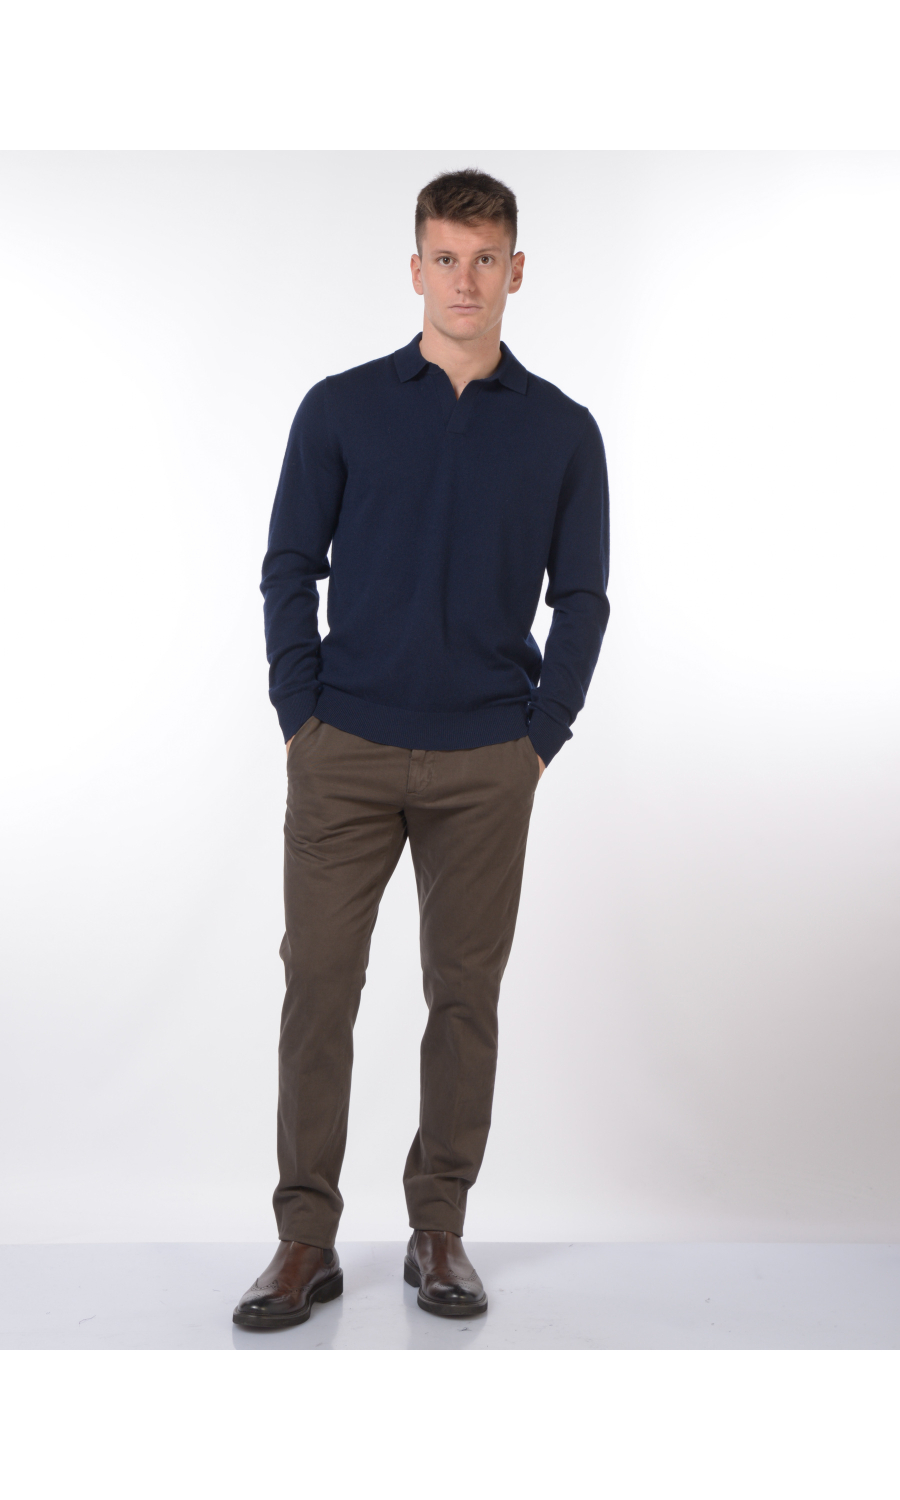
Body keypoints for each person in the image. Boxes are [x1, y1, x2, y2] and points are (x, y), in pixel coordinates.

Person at [233, 168, 610, 1330]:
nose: (466, 280)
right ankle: (304, 1240)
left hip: (488, 760)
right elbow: (288, 568)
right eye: (446, 258)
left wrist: (539, 740)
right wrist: (301, 717)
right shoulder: (341, 408)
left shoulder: (562, 431)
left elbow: (583, 599)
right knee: (318, 988)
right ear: (415, 268)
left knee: (463, 997)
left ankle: (438, 1228)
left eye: (486, 259)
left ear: (516, 271)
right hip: (343, 749)